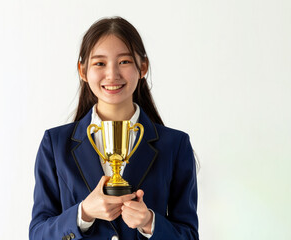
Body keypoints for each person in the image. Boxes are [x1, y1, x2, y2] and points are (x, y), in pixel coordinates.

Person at [29, 16, 198, 240]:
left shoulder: (175, 145)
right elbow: (38, 234)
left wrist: (150, 223)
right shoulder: (55, 143)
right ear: (83, 71)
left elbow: (189, 235)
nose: (112, 74)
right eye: (100, 63)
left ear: (143, 66)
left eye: (124, 62)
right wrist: (84, 213)